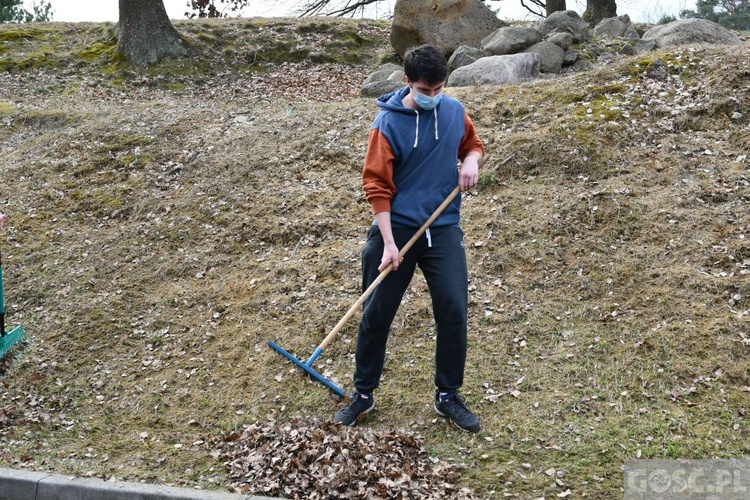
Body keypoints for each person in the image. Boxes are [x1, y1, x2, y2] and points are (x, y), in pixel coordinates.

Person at [333, 45, 484, 433]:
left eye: (438, 89)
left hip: (443, 228)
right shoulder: (386, 124)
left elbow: (472, 145)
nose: (432, 97)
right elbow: (376, 185)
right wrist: (386, 242)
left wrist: (470, 161)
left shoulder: (453, 111)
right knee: (377, 312)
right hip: (395, 229)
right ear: (407, 82)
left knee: (453, 309)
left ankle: (448, 395)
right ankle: (363, 394)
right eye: (424, 90)